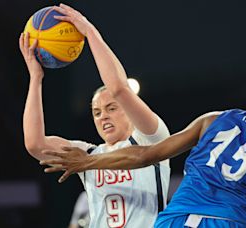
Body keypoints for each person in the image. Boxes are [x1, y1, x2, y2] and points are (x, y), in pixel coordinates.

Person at [40, 68, 246, 228]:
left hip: (173, 220)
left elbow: (146, 155)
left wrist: (86, 162)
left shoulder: (214, 120)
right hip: (229, 221)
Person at [19, 3, 170, 228]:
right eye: (96, 112)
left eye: (111, 108)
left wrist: (89, 32)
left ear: (128, 111)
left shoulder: (151, 138)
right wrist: (35, 77)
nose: (103, 117)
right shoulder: (87, 154)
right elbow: (34, 143)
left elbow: (119, 88)